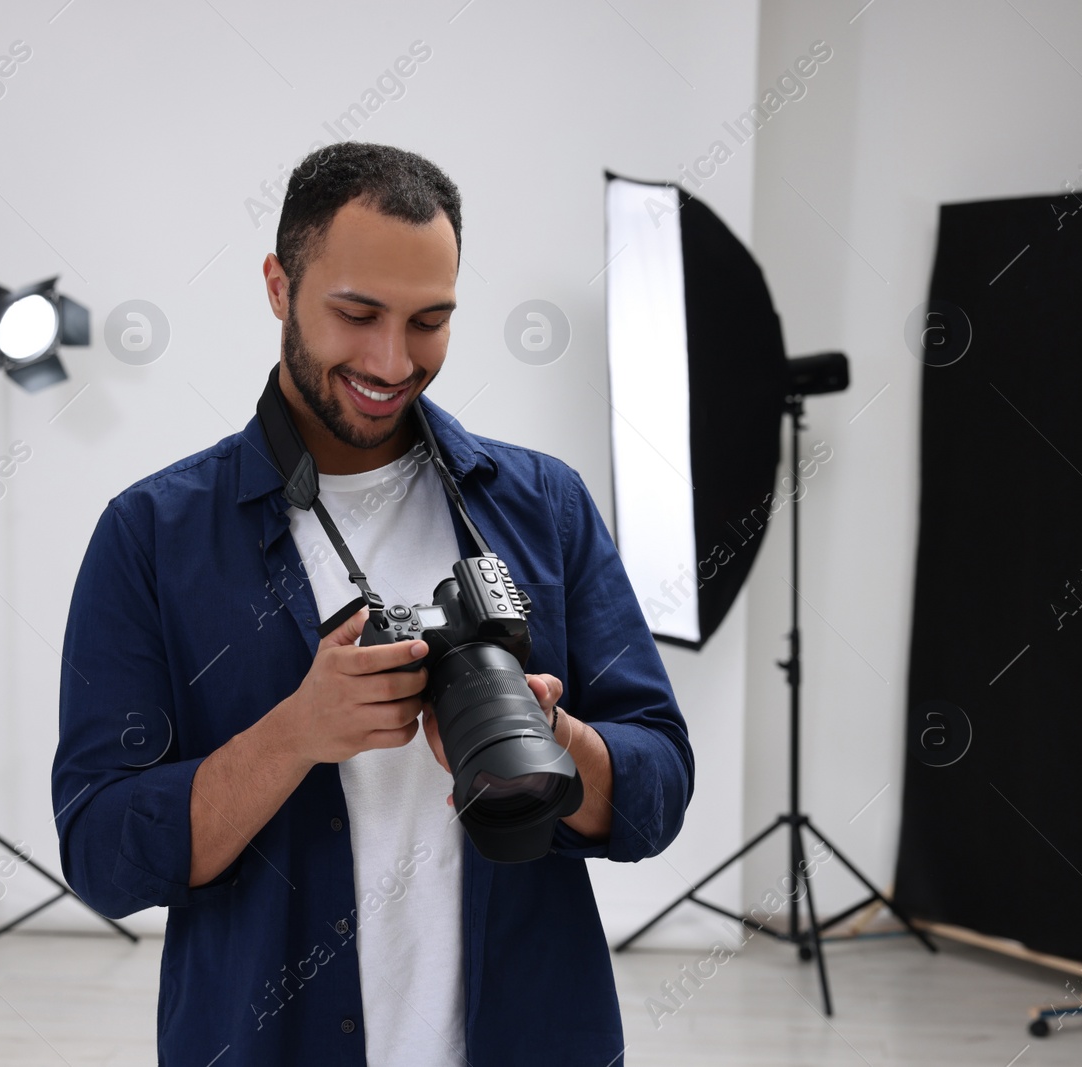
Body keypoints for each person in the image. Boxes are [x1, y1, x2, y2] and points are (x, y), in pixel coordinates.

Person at [52, 141, 693, 1065]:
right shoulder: (151, 537)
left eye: (430, 321)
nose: (393, 360)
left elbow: (659, 784)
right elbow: (103, 852)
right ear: (279, 286)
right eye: (358, 314)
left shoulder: (543, 505)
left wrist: (561, 740)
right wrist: (296, 733)